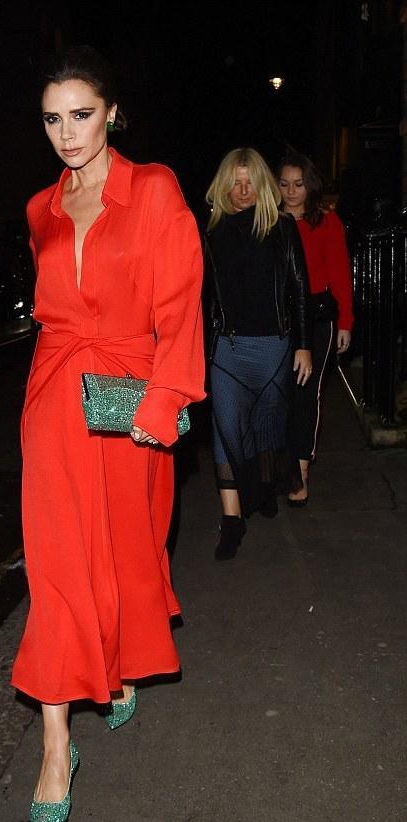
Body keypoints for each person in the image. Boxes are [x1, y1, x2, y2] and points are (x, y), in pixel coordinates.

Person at [11, 45, 205, 822]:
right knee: (57, 563)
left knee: (125, 549)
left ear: (112, 114)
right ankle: (56, 746)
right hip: (56, 397)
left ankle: (116, 663)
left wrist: (165, 398)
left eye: (81, 115)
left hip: (130, 402)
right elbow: (52, 312)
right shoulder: (40, 209)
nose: (67, 133)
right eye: (52, 119)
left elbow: (180, 303)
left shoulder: (153, 188)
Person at [205, 147, 312, 560]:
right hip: (227, 351)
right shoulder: (211, 232)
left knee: (267, 427)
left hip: (273, 349)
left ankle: (265, 487)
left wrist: (303, 344)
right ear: (224, 185)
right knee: (226, 429)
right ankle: (231, 521)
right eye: (236, 182)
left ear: (263, 185)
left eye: (251, 182)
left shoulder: (282, 228)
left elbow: (299, 289)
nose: (244, 190)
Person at [278, 151, 354, 505]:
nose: (292, 191)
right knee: (279, 394)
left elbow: (339, 272)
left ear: (309, 186)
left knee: (307, 393)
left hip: (318, 315)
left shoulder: (326, 222)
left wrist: (346, 323)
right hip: (279, 318)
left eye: (298, 184)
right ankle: (279, 466)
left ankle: (301, 472)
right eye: (284, 184)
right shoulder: (270, 221)